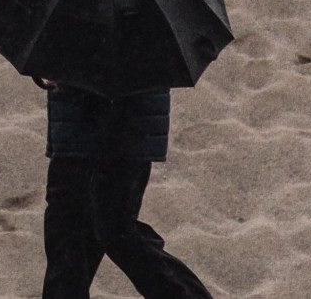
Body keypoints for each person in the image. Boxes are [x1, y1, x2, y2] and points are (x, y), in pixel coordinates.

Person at [35, 77, 214, 299]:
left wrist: (68, 69)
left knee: (113, 231)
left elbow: (128, 55)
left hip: (119, 123)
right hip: (81, 123)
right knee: (70, 237)